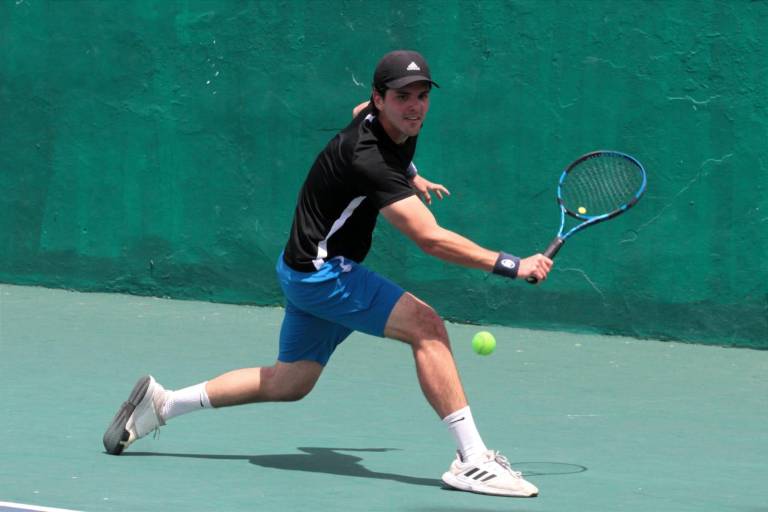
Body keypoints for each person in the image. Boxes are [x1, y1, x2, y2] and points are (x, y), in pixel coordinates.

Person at [103, 50, 553, 498]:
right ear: (380, 97)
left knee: (290, 382)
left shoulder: (388, 123)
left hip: (299, 265)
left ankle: (160, 405)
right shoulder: (369, 157)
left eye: (421, 95)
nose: (415, 106)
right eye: (402, 97)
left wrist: (412, 176)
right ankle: (472, 460)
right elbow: (429, 239)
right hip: (323, 272)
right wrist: (513, 265)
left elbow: (359, 115)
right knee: (427, 327)